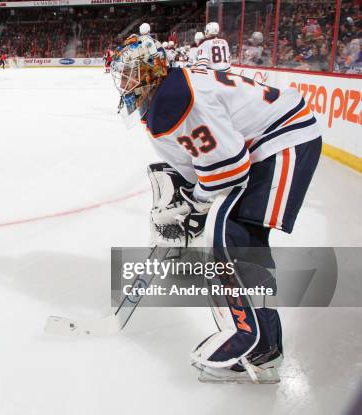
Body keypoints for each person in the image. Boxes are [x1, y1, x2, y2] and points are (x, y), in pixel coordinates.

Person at [111, 35, 321, 383]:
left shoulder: (175, 99)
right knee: (238, 240)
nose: (123, 82)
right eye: (121, 74)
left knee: (234, 239)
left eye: (130, 73)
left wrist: (194, 203)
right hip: (265, 141)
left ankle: (258, 342)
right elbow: (200, 161)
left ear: (150, 72)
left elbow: (229, 168)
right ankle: (265, 346)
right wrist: (191, 194)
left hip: (285, 139)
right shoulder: (166, 94)